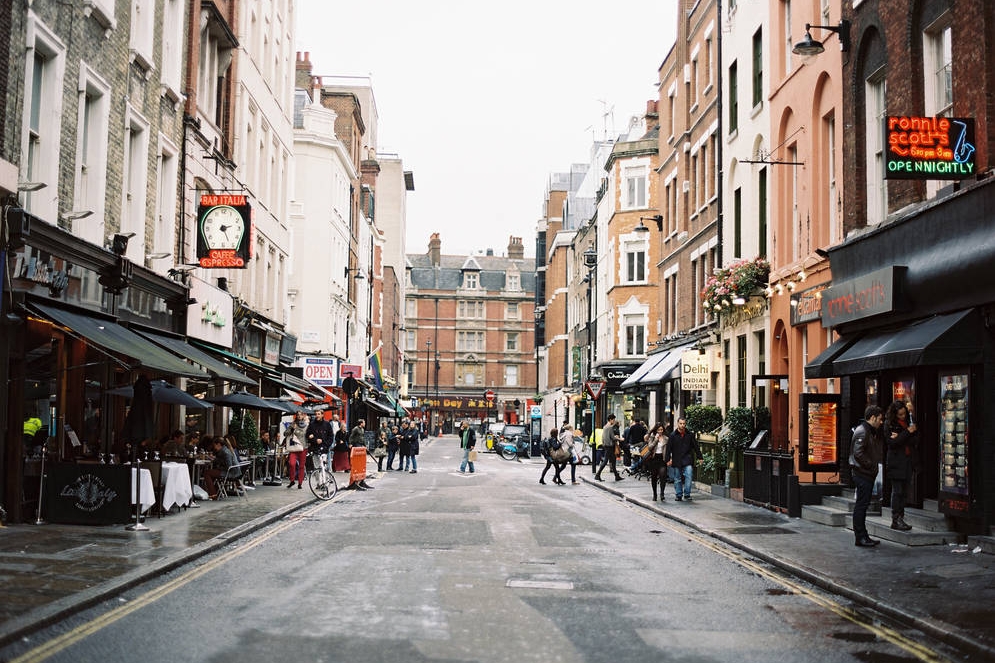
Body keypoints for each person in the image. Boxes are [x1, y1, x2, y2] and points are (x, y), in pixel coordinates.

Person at [850, 405, 885, 547]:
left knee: (863, 505)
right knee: (861, 505)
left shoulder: (869, 431)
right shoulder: (863, 431)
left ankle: (863, 535)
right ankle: (860, 537)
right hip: (862, 473)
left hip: (865, 473)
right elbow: (858, 453)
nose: (881, 422)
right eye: (880, 419)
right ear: (872, 417)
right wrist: (871, 465)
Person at [884, 400, 917, 531]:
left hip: (908, 461)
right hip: (896, 463)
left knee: (904, 492)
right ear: (895, 415)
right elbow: (892, 443)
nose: (903, 416)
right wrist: (907, 433)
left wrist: (902, 437)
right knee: (897, 491)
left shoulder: (910, 420)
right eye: (900, 415)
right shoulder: (889, 424)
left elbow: (916, 439)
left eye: (904, 413)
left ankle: (900, 518)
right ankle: (895, 518)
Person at [665, 417, 702, 501]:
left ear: (685, 424)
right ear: (678, 424)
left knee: (689, 476)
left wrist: (700, 457)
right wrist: (667, 460)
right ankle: (678, 494)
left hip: (687, 459)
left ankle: (687, 494)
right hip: (676, 459)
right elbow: (668, 449)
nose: (682, 425)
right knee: (677, 478)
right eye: (681, 423)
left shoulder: (690, 435)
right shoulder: (672, 435)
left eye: (684, 424)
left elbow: (696, 446)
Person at [642, 422, 670, 501]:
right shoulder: (652, 436)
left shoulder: (666, 438)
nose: (660, 431)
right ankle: (655, 494)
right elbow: (650, 447)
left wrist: (669, 458)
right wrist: (656, 440)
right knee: (654, 477)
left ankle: (662, 493)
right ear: (656, 430)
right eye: (658, 430)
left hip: (662, 459)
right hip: (653, 459)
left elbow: (668, 450)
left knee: (663, 476)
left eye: (661, 430)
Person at [594, 414, 624, 482]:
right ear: (610, 420)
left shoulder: (605, 427)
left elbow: (603, 437)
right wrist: (620, 439)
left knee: (613, 461)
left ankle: (617, 476)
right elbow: (612, 437)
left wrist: (604, 443)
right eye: (613, 419)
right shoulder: (610, 427)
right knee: (605, 461)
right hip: (610, 446)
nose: (614, 421)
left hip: (606, 446)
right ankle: (597, 475)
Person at [283, 411, 308, 489]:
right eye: (298, 415)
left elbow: (303, 434)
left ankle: (300, 483)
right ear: (296, 416)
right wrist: (291, 429)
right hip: (293, 448)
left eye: (301, 415)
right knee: (291, 464)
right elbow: (285, 433)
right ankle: (292, 480)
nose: (299, 416)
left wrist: (295, 430)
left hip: (303, 448)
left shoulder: (306, 425)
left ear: (303, 416)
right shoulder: (293, 424)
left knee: (301, 466)